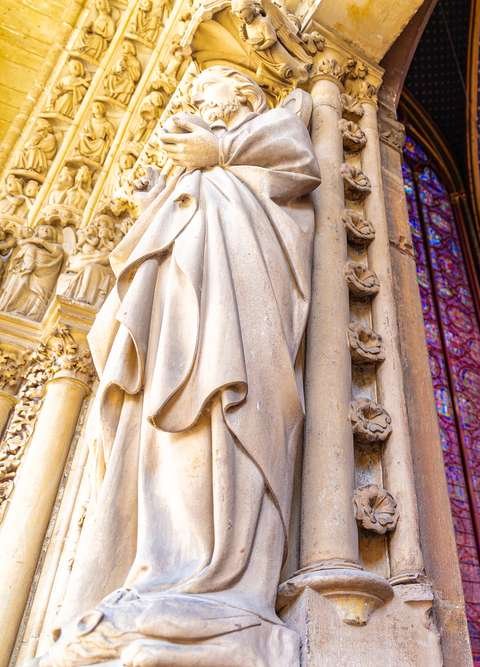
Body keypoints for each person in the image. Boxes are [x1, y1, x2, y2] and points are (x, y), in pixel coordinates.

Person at [35, 66, 320, 667]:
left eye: (203, 90)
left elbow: (296, 165)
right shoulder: (192, 169)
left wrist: (216, 153)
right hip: (174, 323)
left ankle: (223, 583)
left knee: (228, 421)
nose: (191, 101)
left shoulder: (272, 126)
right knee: (161, 439)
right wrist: (155, 200)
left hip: (240, 314)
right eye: (189, 95)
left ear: (244, 93)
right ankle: (161, 571)